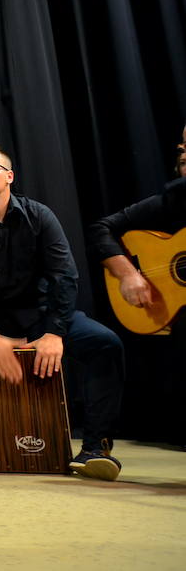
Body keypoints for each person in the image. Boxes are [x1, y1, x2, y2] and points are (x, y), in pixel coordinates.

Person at [0, 142, 126, 479]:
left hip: (41, 316)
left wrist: (55, 332)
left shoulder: (39, 216)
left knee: (106, 344)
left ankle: (95, 447)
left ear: (9, 176)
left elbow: (65, 276)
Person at [86, 121, 186, 446]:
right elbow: (102, 228)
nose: (182, 151)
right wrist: (127, 273)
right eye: (182, 146)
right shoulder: (176, 196)